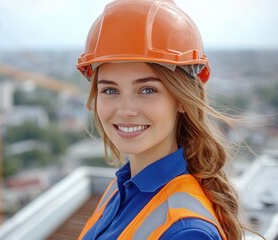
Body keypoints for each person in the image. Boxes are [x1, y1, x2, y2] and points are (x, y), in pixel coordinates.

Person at [76, 0, 247, 239]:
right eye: (110, 90)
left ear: (182, 100)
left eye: (147, 90)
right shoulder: (120, 188)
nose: (125, 110)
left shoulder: (186, 231)